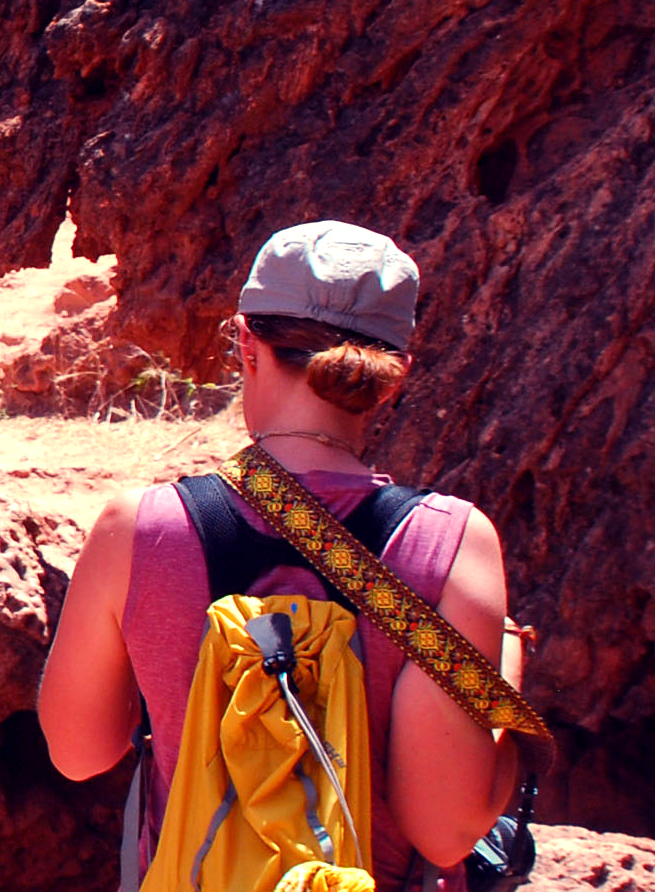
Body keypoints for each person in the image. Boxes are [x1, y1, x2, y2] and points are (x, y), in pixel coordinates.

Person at [38, 221, 527, 888]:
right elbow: (444, 828)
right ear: (393, 378)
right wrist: (506, 672)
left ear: (246, 343)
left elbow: (77, 752)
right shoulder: (450, 543)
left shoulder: (141, 527)